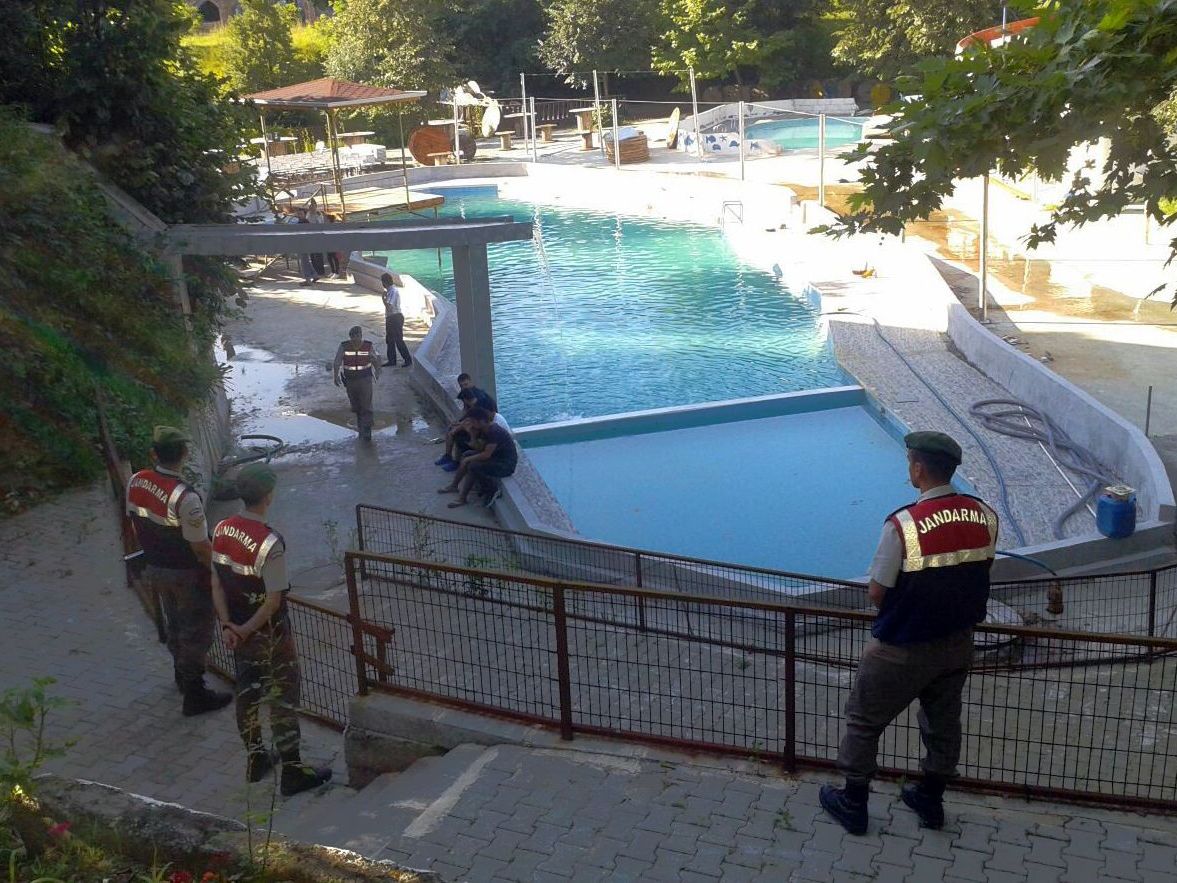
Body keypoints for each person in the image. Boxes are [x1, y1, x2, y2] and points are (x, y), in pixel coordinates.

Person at [820, 431, 998, 835]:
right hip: (957, 644)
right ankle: (930, 801)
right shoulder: (985, 515)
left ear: (917, 468)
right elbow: (977, 574)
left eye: (909, 463)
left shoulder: (903, 525)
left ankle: (854, 803)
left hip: (900, 647)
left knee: (863, 722)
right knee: (943, 723)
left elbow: (878, 592)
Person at [210, 463, 332, 796]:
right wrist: (247, 630)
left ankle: (256, 758)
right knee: (282, 700)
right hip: (271, 637)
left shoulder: (221, 529)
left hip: (236, 632)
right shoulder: (270, 543)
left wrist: (228, 626)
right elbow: (273, 601)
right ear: (268, 495)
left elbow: (216, 583)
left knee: (247, 695)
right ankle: (293, 771)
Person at [125, 426, 232, 717]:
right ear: (184, 453)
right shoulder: (186, 498)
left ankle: (180, 676)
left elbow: (133, 522)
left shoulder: (136, 481)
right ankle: (195, 695)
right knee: (196, 632)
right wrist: (222, 574)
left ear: (153, 453)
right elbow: (200, 548)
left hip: (155, 570)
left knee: (174, 625)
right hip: (187, 575)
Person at [438, 407, 517, 508]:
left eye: (472, 421)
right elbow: (478, 448)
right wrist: (472, 435)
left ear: (481, 421)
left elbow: (486, 454)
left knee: (473, 465)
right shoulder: (483, 430)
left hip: (505, 465)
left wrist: (468, 460)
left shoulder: (494, 431)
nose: (470, 423)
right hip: (495, 457)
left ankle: (491, 490)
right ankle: (454, 486)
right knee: (467, 454)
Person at [433, 374, 498, 471]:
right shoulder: (467, 394)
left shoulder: (479, 399)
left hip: (485, 426)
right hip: (477, 423)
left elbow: (475, 420)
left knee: (457, 435)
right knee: (452, 429)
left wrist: (458, 427)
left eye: (466, 384)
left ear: (471, 382)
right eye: (461, 386)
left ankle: (457, 462)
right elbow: (467, 413)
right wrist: (459, 423)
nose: (464, 387)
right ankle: (448, 456)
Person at [332, 325, 382, 441]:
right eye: (353, 336)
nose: (355, 339)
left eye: (357, 336)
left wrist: (377, 371)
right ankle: (362, 427)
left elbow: (376, 359)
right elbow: (337, 362)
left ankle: (366, 431)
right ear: (350, 337)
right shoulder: (346, 346)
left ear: (360, 335)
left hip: (363, 379)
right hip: (352, 380)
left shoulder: (365, 346)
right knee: (357, 405)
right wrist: (335, 376)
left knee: (365, 405)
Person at [379, 272, 413, 367]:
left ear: (385, 282)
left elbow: (389, 306)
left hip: (395, 317)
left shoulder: (393, 291)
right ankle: (392, 360)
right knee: (390, 340)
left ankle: (407, 359)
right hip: (391, 318)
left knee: (398, 340)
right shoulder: (390, 291)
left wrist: (383, 299)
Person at [293, 208, 317, 285]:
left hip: (303, 244)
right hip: (303, 243)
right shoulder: (300, 222)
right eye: (298, 213)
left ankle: (308, 280)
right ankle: (314, 275)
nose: (299, 215)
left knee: (304, 262)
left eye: (301, 214)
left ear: (304, 214)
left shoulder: (304, 222)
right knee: (306, 260)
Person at [306, 198, 326, 278]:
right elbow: (307, 222)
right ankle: (315, 271)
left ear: (316, 206)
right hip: (310, 236)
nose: (312, 208)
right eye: (311, 206)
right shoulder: (308, 214)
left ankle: (321, 271)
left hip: (317, 236)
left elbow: (320, 223)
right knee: (312, 255)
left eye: (313, 206)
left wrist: (316, 216)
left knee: (318, 255)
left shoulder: (319, 214)